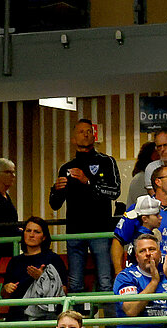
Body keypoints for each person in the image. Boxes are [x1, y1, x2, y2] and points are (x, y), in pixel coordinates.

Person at [49, 119, 121, 292]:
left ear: (94, 135)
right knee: (75, 283)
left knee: (105, 281)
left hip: (101, 230)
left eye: (89, 131)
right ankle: (75, 318)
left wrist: (88, 181)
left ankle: (109, 319)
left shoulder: (107, 161)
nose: (86, 134)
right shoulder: (66, 167)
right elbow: (55, 204)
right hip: (75, 231)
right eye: (81, 131)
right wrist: (56, 190)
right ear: (74, 138)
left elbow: (115, 191)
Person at [1, 217, 66, 328]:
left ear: (44, 237)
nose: (31, 234)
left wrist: (42, 278)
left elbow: (62, 289)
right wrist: (6, 288)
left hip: (44, 322)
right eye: (28, 231)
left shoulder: (52, 259)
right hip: (18, 322)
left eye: (36, 231)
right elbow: (4, 293)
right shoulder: (15, 261)